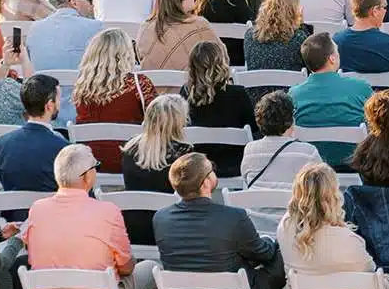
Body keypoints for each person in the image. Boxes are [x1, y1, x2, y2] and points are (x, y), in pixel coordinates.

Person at [23, 143, 167, 289]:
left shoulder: (37, 210)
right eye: (95, 167)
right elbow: (126, 267)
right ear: (86, 176)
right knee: (151, 270)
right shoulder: (107, 212)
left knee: (77, 272)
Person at [153, 151, 298, 289]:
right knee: (277, 257)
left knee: (248, 266)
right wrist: (270, 240)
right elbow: (264, 254)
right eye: (211, 168)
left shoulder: (161, 218)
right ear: (205, 182)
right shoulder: (233, 217)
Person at [71, 29, 153, 173]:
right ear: (126, 54)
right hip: (131, 162)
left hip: (90, 162)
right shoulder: (138, 84)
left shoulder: (82, 85)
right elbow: (156, 118)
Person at [120, 94, 195, 244]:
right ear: (178, 121)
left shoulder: (130, 148)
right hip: (169, 229)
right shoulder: (184, 153)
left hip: (132, 227)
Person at [292, 32, 373, 167]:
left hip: (310, 167)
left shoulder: (294, 94)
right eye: (337, 51)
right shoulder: (361, 87)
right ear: (332, 59)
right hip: (354, 164)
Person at [182, 40, 257, 178]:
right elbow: (253, 130)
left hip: (198, 168)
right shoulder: (238, 94)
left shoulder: (186, 94)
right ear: (222, 63)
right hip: (234, 166)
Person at [241, 92, 322, 205]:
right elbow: (321, 187)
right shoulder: (308, 152)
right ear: (291, 120)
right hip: (295, 215)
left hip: (256, 215)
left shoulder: (250, 150)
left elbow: (246, 179)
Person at [0, 76, 68, 193]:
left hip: (13, 205)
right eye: (58, 99)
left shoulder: (2, 144)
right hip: (50, 205)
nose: (60, 103)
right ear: (49, 105)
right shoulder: (63, 148)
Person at [135, 0, 214, 71]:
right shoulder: (200, 25)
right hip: (190, 81)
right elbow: (221, 58)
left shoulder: (145, 27)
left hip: (152, 81)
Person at [23, 0, 101, 81]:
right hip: (80, 89)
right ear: (74, 3)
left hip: (42, 89)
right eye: (90, 0)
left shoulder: (34, 28)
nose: (92, 4)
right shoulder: (96, 27)